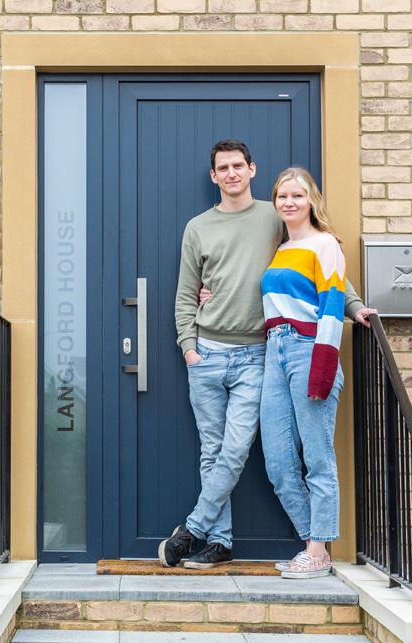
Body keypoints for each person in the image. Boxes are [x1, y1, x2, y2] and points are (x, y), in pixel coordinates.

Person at [158, 140, 374, 570]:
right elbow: (186, 293)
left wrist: (353, 306)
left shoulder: (275, 217)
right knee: (214, 452)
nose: (232, 173)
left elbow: (326, 265)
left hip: (259, 353)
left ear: (252, 169)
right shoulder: (198, 227)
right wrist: (189, 347)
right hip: (208, 353)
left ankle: (193, 529)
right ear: (214, 176)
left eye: (238, 165)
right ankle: (219, 541)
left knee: (236, 449)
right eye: (223, 168)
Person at [260, 167, 347, 579]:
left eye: (297, 195)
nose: (289, 202)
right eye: (282, 196)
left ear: (311, 200)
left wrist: (323, 368)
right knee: (278, 463)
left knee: (317, 457)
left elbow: (332, 305)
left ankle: (316, 550)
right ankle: (314, 544)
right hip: (274, 351)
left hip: (309, 349)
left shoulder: (325, 244)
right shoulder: (281, 248)